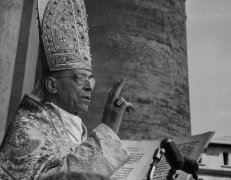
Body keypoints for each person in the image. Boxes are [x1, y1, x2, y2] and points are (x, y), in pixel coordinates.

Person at [0, 0, 133, 179]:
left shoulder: (75, 130)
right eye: (79, 78)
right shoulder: (27, 129)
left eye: (91, 80)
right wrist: (108, 131)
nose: (89, 87)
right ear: (52, 85)